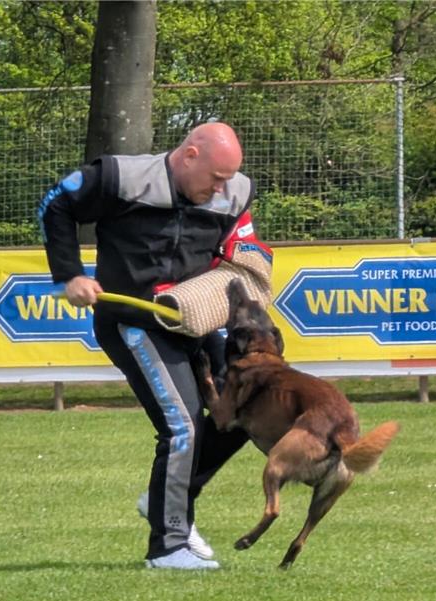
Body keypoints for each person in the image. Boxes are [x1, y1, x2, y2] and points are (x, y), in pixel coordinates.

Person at [38, 122, 270, 570]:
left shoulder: (238, 191)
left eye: (229, 179)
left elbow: (240, 249)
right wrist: (69, 274)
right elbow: (56, 204)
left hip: (194, 320)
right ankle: (168, 547)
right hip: (133, 321)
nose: (223, 189)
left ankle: (166, 502)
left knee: (249, 403)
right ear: (189, 157)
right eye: (215, 178)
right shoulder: (119, 178)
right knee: (183, 426)